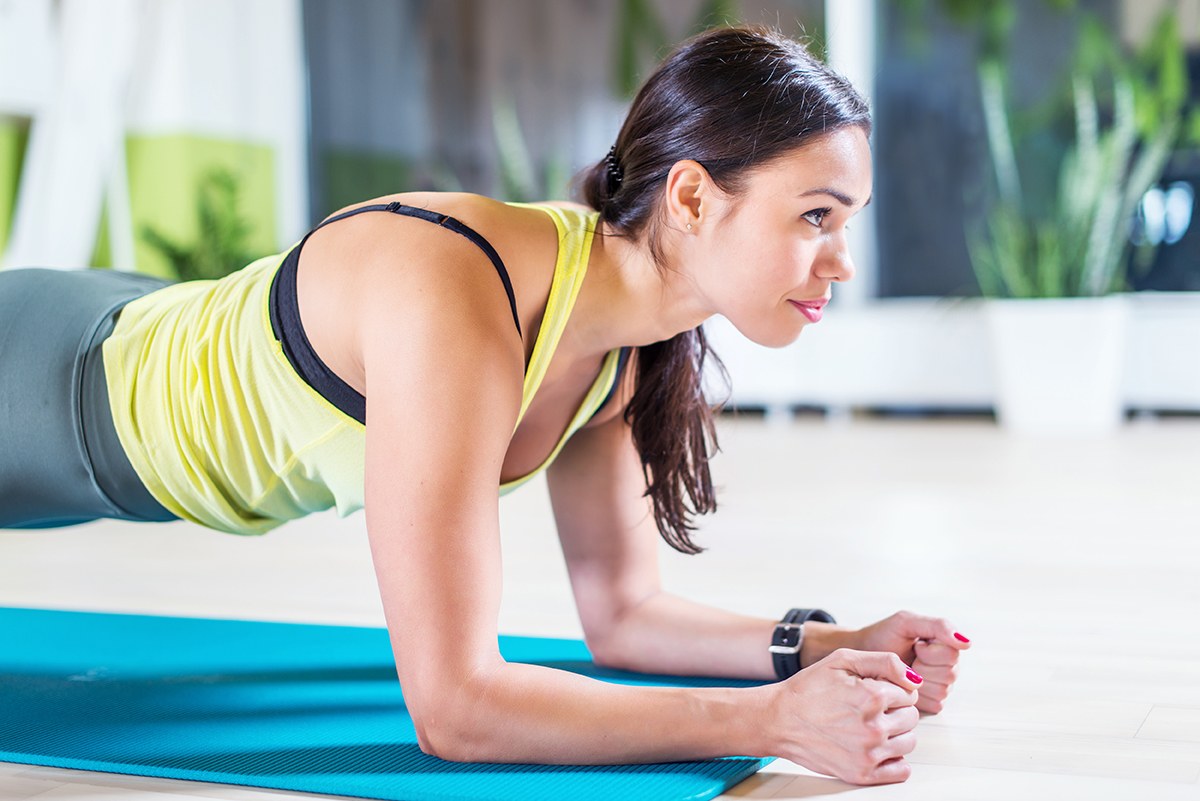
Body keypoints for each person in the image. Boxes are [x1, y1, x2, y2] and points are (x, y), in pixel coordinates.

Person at [0, 25, 969, 785]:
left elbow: (626, 618)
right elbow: (457, 709)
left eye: (849, 223)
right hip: (40, 386)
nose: (840, 261)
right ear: (688, 197)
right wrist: (772, 723)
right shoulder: (458, 291)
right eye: (814, 216)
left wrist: (833, 649)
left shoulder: (618, 359)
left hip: (129, 353)